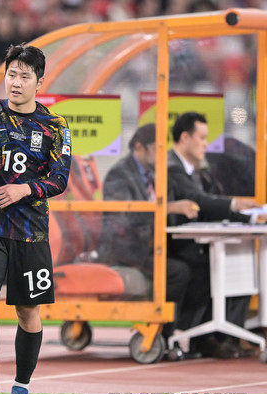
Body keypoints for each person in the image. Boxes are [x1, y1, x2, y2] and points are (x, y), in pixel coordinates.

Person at [0, 44, 71, 394]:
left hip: (31, 233)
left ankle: (21, 386)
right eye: (12, 74)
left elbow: (60, 179)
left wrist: (24, 189)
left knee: (28, 311)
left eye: (25, 76)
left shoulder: (55, 125)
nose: (17, 82)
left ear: (40, 82)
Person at [167, 111, 260, 358]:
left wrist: (249, 217)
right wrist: (233, 206)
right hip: (173, 246)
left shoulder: (196, 171)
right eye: (202, 138)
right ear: (185, 137)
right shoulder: (172, 167)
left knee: (236, 260)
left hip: (192, 243)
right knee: (213, 266)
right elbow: (199, 201)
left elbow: (207, 203)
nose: (206, 144)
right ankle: (200, 335)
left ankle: (219, 335)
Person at [98, 123, 199, 342]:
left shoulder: (151, 174)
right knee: (178, 271)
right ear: (139, 147)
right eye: (158, 148)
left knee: (196, 260)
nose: (162, 153)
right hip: (124, 250)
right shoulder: (119, 174)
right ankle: (163, 333)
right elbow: (125, 219)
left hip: (145, 245)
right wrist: (170, 208)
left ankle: (188, 333)